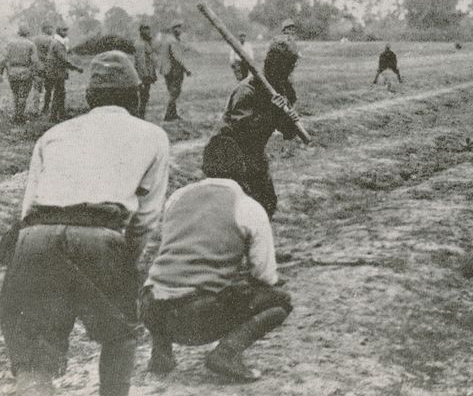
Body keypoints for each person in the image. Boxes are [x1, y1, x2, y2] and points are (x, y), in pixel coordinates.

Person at [0, 50, 170, 396]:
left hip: (35, 238)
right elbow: (147, 218)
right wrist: (125, 262)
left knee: (34, 361)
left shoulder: (53, 134)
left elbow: (28, 208)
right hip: (101, 236)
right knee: (120, 335)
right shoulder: (152, 136)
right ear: (136, 94)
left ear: (90, 96)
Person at [141, 137, 292, 381]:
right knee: (280, 301)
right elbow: (265, 275)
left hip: (151, 308)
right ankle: (226, 353)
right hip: (195, 316)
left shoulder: (177, 197)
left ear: (204, 168)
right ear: (243, 170)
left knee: (170, 278)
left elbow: (175, 250)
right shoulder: (247, 206)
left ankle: (161, 353)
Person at [205, 39, 301, 218]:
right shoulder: (247, 90)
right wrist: (273, 112)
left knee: (267, 204)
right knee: (239, 211)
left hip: (252, 155)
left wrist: (289, 119)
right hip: (226, 153)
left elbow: (288, 132)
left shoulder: (279, 89)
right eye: (288, 65)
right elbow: (244, 132)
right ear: (276, 64)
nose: (290, 70)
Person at [0, 25, 39, 123]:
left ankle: (16, 115)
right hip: (25, 71)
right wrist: (34, 73)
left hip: (12, 72)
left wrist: (1, 72)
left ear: (18, 32)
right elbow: (34, 61)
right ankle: (19, 116)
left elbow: (3, 59)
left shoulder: (10, 43)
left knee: (15, 94)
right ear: (27, 33)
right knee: (23, 96)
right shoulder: (31, 44)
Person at [45, 24, 83, 122]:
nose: (66, 32)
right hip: (57, 72)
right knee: (58, 94)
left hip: (55, 72)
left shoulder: (56, 42)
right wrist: (77, 68)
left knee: (61, 93)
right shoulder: (58, 44)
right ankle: (53, 116)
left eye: (66, 30)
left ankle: (61, 114)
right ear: (58, 31)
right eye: (63, 30)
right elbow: (65, 60)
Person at [158, 19, 191, 121]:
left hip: (166, 70)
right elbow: (177, 56)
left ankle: (173, 114)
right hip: (174, 69)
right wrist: (187, 69)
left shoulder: (167, 40)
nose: (180, 30)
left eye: (180, 27)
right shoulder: (172, 41)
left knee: (172, 92)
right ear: (173, 29)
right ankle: (169, 115)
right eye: (177, 28)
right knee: (175, 93)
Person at [133, 23, 157, 119]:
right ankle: (140, 117)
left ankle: (141, 115)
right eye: (145, 29)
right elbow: (141, 61)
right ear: (141, 31)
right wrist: (145, 76)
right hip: (142, 75)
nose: (148, 31)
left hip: (147, 73)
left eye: (148, 29)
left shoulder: (146, 42)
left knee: (145, 96)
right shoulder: (140, 44)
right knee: (143, 96)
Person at [31, 22, 55, 115]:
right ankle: (45, 108)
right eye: (51, 28)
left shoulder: (34, 39)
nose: (52, 30)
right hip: (48, 66)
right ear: (46, 28)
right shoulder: (51, 40)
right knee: (48, 88)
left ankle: (35, 109)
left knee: (37, 88)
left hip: (37, 66)